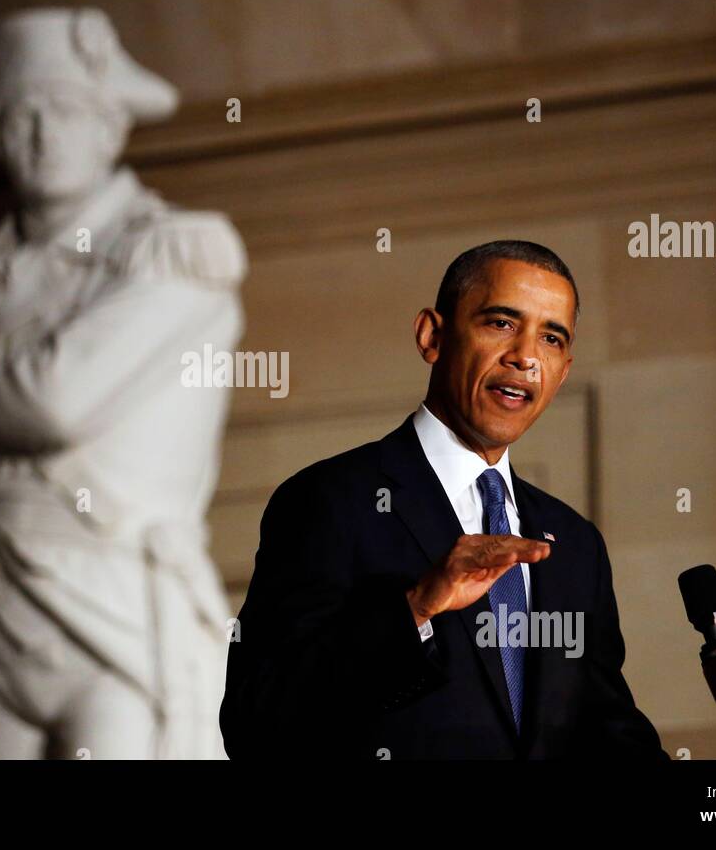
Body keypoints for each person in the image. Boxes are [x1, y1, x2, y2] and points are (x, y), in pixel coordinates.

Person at [0, 8, 245, 759]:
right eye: (23, 113)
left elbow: (53, 402)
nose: (43, 133)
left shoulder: (178, 253)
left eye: (68, 110)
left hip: (110, 603)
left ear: (111, 126)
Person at [220, 240, 668, 759]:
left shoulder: (575, 543)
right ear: (432, 336)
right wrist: (417, 608)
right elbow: (257, 722)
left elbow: (606, 728)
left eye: (550, 337)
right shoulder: (331, 500)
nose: (525, 356)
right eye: (501, 323)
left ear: (562, 371)